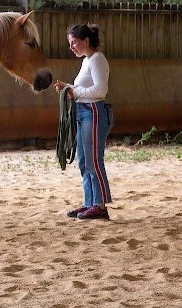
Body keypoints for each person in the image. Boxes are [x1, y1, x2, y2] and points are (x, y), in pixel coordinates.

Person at [54, 23, 113, 220]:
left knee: (93, 160)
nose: (71, 47)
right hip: (84, 112)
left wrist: (74, 91)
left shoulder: (96, 59)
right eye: (70, 43)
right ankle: (90, 202)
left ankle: (100, 205)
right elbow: (85, 88)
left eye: (74, 42)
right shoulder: (87, 60)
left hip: (94, 112)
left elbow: (100, 91)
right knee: (84, 160)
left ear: (86, 41)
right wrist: (68, 87)